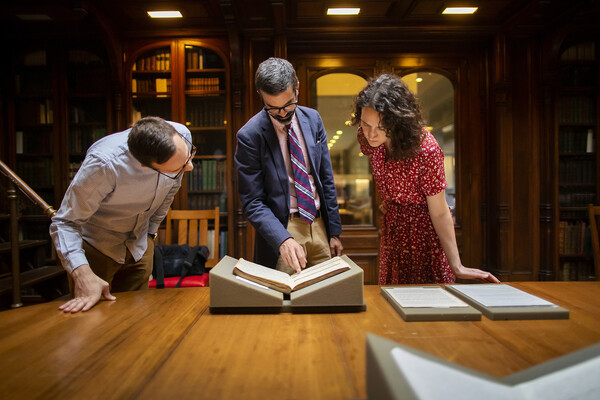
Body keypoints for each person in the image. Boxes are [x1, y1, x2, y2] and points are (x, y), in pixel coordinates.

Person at [352, 74, 500, 285]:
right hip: (392, 232)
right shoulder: (366, 137)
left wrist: (457, 265)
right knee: (391, 303)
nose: (371, 134)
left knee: (427, 305)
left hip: (423, 236)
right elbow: (387, 170)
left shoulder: (425, 150)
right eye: (366, 125)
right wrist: (392, 199)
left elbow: (440, 211)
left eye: (381, 127)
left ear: (398, 121)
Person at [50, 116, 196, 313]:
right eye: (180, 167)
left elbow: (172, 188)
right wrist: (81, 273)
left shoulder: (182, 137)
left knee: (136, 318)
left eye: (189, 157)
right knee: (93, 322)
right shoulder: (103, 164)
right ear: (146, 166)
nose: (190, 167)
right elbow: (65, 222)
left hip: (140, 243)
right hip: (98, 248)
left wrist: (151, 234)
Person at [235, 57, 343, 274]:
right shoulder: (250, 136)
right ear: (261, 97)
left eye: (288, 104)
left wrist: (334, 232)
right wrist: (282, 239)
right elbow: (253, 202)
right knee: (284, 300)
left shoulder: (313, 119)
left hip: (319, 223)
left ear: (297, 88)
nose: (282, 113)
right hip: (284, 228)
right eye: (272, 108)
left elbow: (325, 178)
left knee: (327, 296)